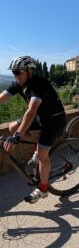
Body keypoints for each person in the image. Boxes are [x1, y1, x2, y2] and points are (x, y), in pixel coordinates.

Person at [0, 56, 66, 203]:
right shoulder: (19, 83)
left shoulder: (38, 85)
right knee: (12, 126)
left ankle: (43, 189)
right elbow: (1, 98)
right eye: (14, 73)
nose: (16, 75)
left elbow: (31, 111)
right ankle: (39, 146)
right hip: (41, 117)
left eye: (18, 72)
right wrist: (16, 131)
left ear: (30, 71)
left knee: (43, 155)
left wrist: (17, 136)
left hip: (54, 120)